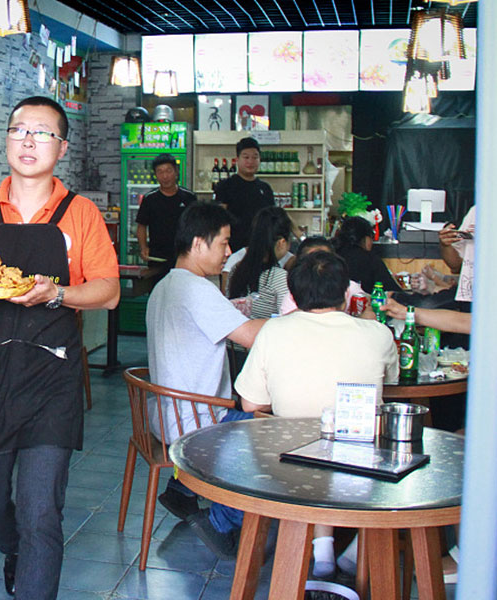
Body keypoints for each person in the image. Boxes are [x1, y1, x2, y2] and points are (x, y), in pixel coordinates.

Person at [0, 96, 119, 600]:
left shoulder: (81, 214)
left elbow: (108, 291)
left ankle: (33, 566)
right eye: (19, 130)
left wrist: (57, 293)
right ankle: (16, 549)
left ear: (61, 147)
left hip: (50, 378)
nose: (28, 140)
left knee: (41, 512)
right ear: (7, 139)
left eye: (41, 132)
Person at [236, 251, 398, 578]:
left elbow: (250, 404)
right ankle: (356, 549)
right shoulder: (378, 333)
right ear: (346, 292)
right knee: (361, 439)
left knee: (315, 442)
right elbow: (391, 382)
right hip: (360, 466)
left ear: (294, 295)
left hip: (287, 464)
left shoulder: (273, 331)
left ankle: (323, 550)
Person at [145, 202, 265, 559]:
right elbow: (250, 337)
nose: (228, 253)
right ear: (198, 243)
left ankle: (182, 490)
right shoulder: (197, 289)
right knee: (266, 428)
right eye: (224, 243)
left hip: (166, 412)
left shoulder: (166, 285)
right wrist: (298, 319)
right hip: (197, 421)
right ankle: (222, 522)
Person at [279, 236, 369, 317]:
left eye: (325, 260)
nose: (318, 263)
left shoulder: (351, 288)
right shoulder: (291, 295)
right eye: (311, 261)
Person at [135, 153, 196, 269]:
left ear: (176, 172)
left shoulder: (189, 197)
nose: (165, 176)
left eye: (169, 171)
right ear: (155, 175)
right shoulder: (149, 199)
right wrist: (143, 247)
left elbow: (197, 225)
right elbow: (141, 226)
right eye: (160, 172)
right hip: (157, 256)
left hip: (183, 255)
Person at [213, 137, 274, 253]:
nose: (250, 162)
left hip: (261, 248)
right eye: (246, 157)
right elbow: (219, 219)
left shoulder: (265, 188)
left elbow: (272, 217)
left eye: (255, 157)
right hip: (233, 249)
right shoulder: (225, 186)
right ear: (237, 160)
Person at [332, 216, 400, 293]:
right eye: (372, 238)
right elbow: (394, 292)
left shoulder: (332, 255)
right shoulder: (371, 260)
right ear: (366, 238)